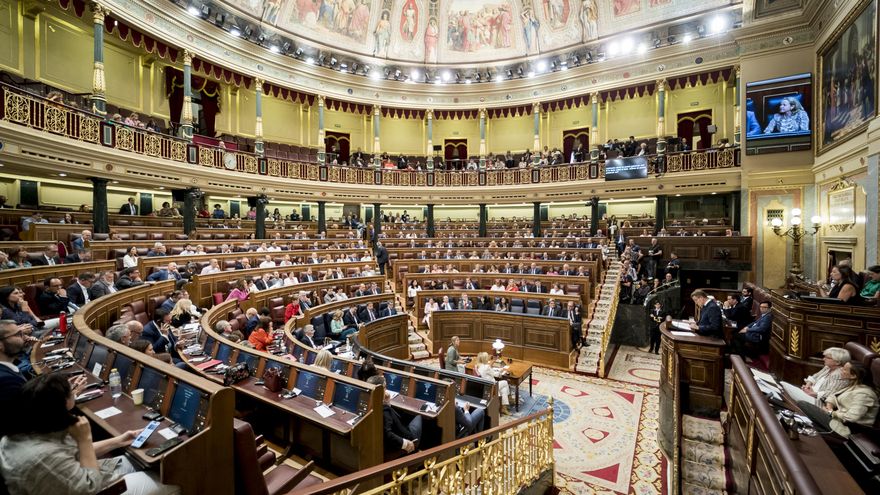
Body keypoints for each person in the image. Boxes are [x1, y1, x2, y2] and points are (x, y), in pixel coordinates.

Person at [0, 373, 180, 495]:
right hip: (92, 487)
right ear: (57, 407)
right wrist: (84, 439)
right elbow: (90, 488)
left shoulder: (22, 431)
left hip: (73, 478)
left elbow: (71, 454)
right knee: (171, 483)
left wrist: (119, 440)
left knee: (142, 464)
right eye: (72, 393)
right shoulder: (42, 456)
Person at [367, 375, 421, 454]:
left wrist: (387, 402)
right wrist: (405, 444)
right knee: (418, 415)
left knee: (406, 415)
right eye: (385, 387)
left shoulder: (371, 404)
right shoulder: (383, 409)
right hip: (408, 438)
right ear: (379, 391)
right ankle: (418, 449)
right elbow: (387, 434)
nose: (386, 390)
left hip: (393, 434)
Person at [823, 362, 879, 437]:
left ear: (853, 376)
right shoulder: (854, 385)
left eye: (845, 369)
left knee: (805, 406)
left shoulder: (864, 394)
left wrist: (831, 413)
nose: (841, 369)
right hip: (836, 420)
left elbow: (851, 418)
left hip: (846, 429)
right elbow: (833, 396)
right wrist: (829, 406)